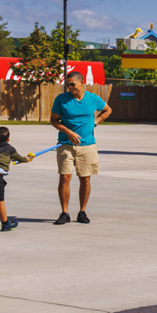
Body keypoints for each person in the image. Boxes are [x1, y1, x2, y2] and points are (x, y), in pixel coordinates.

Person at [51, 72, 111, 226]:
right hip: (66, 145)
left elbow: (107, 110)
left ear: (82, 83)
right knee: (64, 178)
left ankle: (82, 212)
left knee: (85, 179)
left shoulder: (93, 99)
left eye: (72, 84)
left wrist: (96, 122)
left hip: (88, 146)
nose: (69, 87)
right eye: (67, 84)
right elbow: (53, 120)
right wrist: (68, 132)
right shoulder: (61, 99)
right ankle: (64, 213)